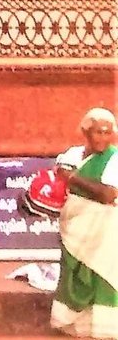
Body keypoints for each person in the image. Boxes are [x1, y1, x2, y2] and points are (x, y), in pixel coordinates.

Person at [50, 107, 118, 338]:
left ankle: (102, 328)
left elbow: (109, 194)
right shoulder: (72, 154)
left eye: (108, 133)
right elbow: (59, 173)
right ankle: (71, 324)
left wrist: (74, 179)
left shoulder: (114, 159)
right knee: (72, 271)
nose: (103, 138)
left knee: (100, 274)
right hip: (74, 226)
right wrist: (75, 181)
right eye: (97, 132)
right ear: (86, 132)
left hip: (102, 230)